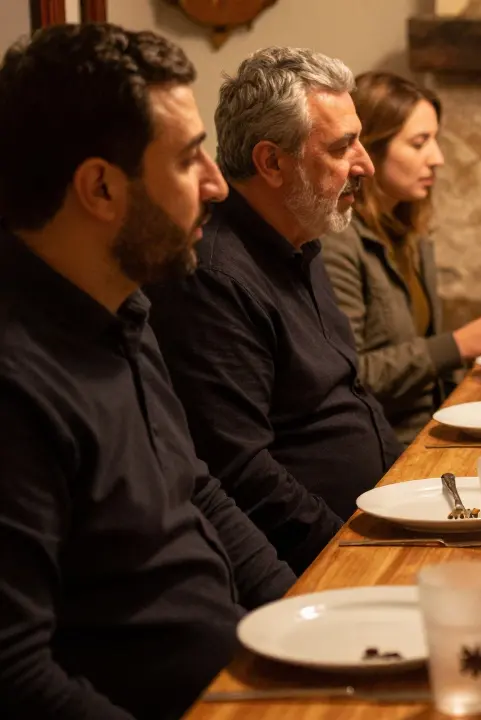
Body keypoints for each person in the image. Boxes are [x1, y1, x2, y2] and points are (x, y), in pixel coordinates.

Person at [0, 24, 295, 718]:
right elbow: (15, 675)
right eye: (191, 159)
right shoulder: (16, 385)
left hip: (248, 678)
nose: (218, 185)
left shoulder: (125, 304)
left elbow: (199, 492)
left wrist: (309, 616)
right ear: (101, 187)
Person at [147, 47, 403, 575]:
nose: (366, 165)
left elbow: (347, 398)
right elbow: (241, 473)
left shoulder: (302, 236)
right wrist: (351, 557)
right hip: (324, 559)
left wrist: (416, 487)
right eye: (343, 146)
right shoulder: (215, 276)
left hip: (381, 518)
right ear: (271, 162)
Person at [321, 72, 481, 445]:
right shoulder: (339, 241)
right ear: (371, 149)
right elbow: (350, 375)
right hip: (384, 442)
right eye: (419, 143)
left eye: (435, 140)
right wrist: (456, 345)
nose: (438, 159)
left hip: (429, 429)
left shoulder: (409, 231)